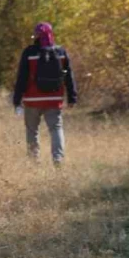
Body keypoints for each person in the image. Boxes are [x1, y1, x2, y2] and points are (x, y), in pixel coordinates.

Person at [12, 22, 78, 165]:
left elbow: (21, 77)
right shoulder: (61, 52)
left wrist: (17, 100)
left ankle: (34, 161)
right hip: (54, 99)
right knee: (56, 129)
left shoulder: (29, 52)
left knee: (32, 131)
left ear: (36, 35)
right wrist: (72, 97)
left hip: (32, 100)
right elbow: (69, 76)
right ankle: (58, 159)